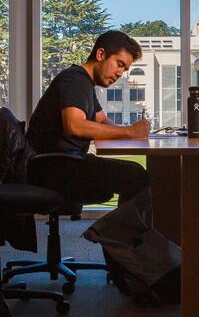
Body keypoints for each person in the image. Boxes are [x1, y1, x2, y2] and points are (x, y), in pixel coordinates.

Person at [27, 31, 152, 223]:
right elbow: (74, 126)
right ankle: (119, 245)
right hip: (53, 169)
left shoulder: (84, 83)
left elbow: (102, 121)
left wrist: (133, 131)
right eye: (119, 64)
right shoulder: (75, 81)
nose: (120, 73)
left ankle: (122, 243)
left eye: (125, 69)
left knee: (135, 173)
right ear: (100, 54)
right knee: (137, 177)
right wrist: (129, 132)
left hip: (60, 164)